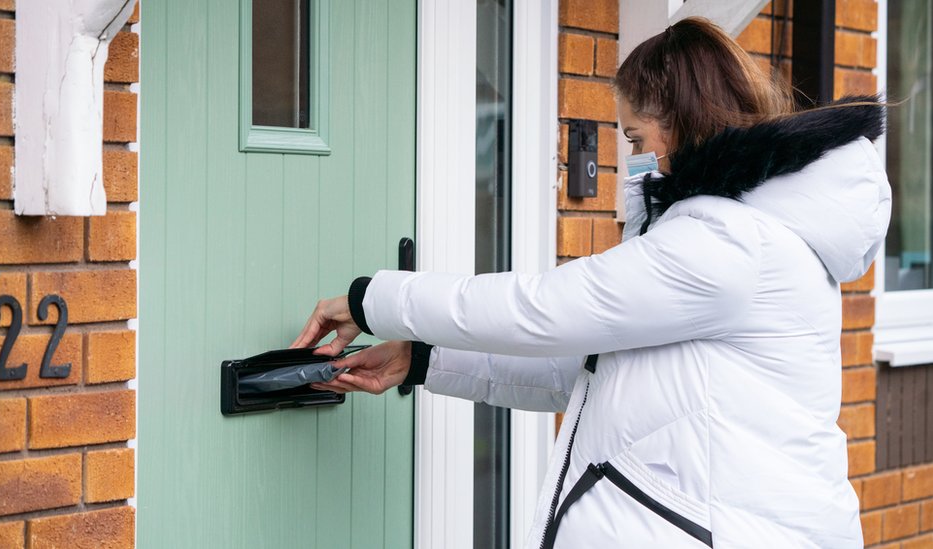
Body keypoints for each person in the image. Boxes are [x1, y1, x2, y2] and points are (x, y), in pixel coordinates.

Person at [291, 17, 890, 548]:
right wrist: (422, 360)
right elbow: (589, 373)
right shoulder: (737, 234)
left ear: (681, 122)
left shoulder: (728, 242)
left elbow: (543, 309)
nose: (634, 162)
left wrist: (370, 300)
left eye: (634, 138)